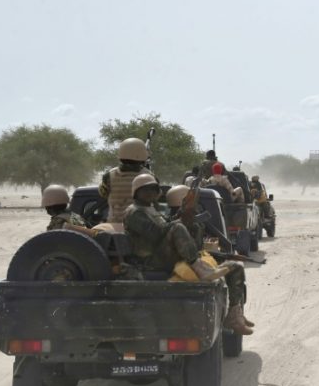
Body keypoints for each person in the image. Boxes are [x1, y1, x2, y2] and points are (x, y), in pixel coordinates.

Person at [125, 175, 253, 335]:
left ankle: (235, 316)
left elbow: (167, 228)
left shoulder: (151, 210)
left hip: (166, 256)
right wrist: (179, 221)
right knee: (178, 228)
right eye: (145, 190)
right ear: (136, 192)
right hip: (150, 261)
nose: (150, 193)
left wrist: (186, 218)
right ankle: (199, 267)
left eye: (153, 189)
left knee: (235, 267)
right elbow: (156, 234)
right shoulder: (134, 212)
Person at [99, 137, 154, 226]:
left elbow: (103, 193)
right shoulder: (149, 176)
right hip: (140, 227)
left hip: (114, 224)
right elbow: (155, 198)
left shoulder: (109, 175)